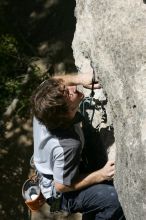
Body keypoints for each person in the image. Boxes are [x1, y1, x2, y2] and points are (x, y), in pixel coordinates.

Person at [31, 73, 125, 220]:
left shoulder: (43, 103)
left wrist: (81, 79)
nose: (73, 88)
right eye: (68, 94)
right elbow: (61, 186)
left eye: (65, 89)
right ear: (67, 114)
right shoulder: (69, 145)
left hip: (59, 169)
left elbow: (53, 81)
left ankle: (92, 208)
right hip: (60, 194)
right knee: (113, 199)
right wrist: (101, 174)